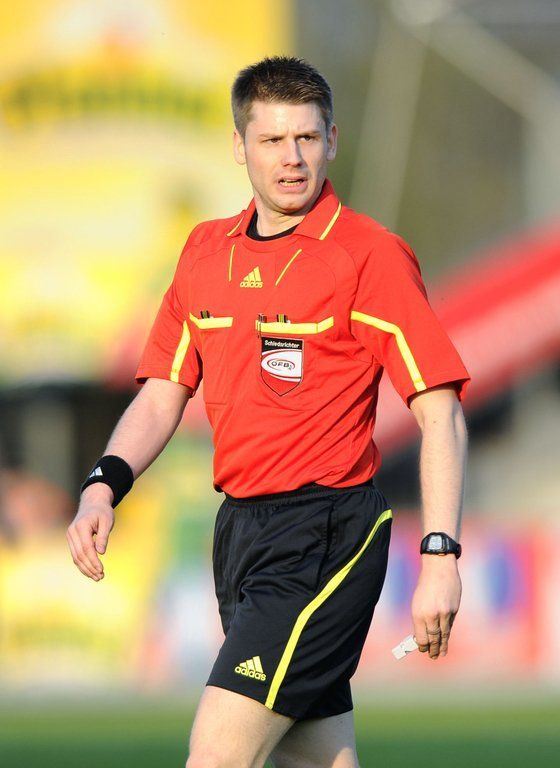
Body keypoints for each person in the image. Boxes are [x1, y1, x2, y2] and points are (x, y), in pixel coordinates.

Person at [67, 56, 470, 768]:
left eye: (307, 138)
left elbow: (441, 410)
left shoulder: (369, 255)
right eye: (273, 140)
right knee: (312, 757)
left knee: (217, 755)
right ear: (239, 145)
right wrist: (104, 484)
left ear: (332, 140)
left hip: (326, 535)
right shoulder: (204, 252)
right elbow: (161, 391)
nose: (292, 158)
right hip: (240, 533)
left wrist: (440, 555)